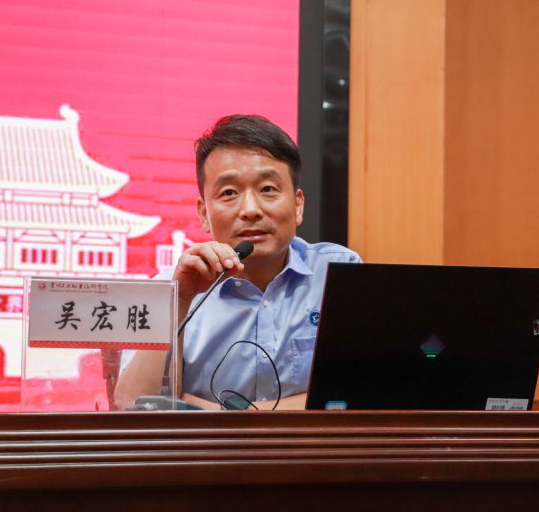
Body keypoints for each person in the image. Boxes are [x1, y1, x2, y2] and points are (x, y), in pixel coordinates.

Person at [115, 115, 361, 410]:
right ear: (204, 214)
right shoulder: (170, 288)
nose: (250, 209)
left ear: (298, 205)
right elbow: (133, 407)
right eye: (229, 193)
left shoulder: (339, 272)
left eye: (268, 189)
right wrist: (179, 303)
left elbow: (363, 392)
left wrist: (225, 414)